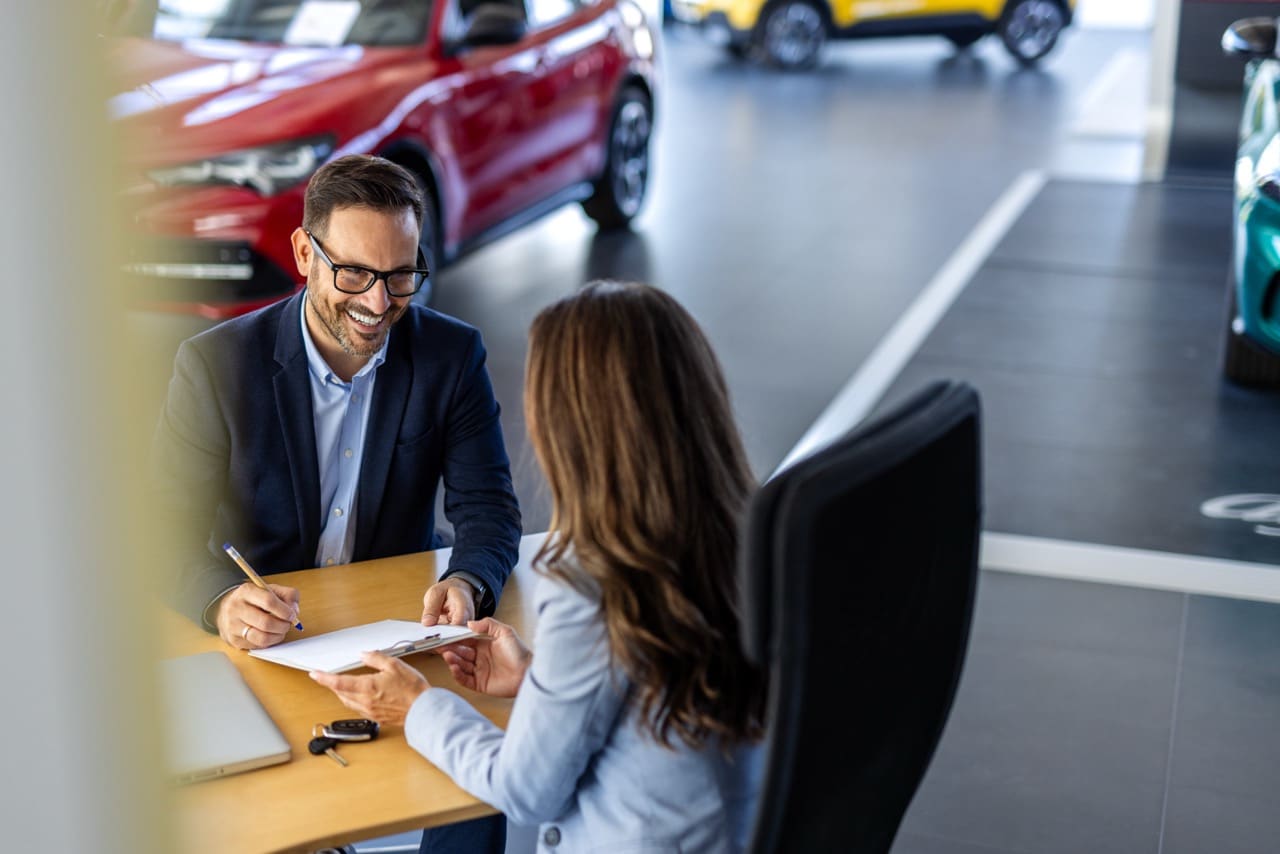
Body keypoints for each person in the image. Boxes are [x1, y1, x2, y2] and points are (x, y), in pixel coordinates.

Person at [312, 280, 769, 852]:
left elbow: (526, 792)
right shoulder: (756, 533)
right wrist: (539, 678)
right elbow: (652, 703)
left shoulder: (595, 581)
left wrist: (417, 706)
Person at [150, 154, 520, 852]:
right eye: (353, 274)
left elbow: (491, 509)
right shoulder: (214, 364)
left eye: (400, 277)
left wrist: (470, 579)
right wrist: (221, 601)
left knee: (478, 797)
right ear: (303, 253)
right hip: (263, 649)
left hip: (398, 639)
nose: (379, 304)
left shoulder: (450, 355)